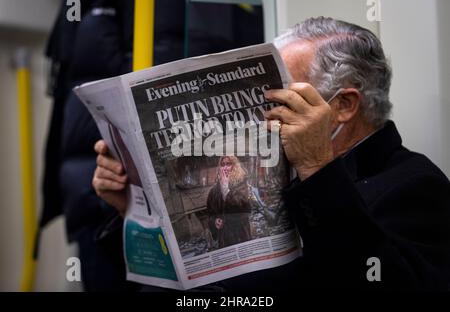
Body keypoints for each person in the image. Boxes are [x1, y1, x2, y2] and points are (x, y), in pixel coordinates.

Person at [92, 17, 450, 290]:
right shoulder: (276, 173)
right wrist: (135, 210)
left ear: (342, 105)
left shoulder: (415, 185)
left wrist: (318, 167)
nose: (261, 118)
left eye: (279, 98)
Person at [206, 156, 252, 249]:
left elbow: (245, 208)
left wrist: (226, 190)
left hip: (240, 236)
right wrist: (214, 222)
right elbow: (210, 214)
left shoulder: (242, 185)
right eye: (223, 165)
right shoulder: (213, 191)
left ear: (234, 166)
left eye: (228, 164)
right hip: (224, 239)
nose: (225, 167)